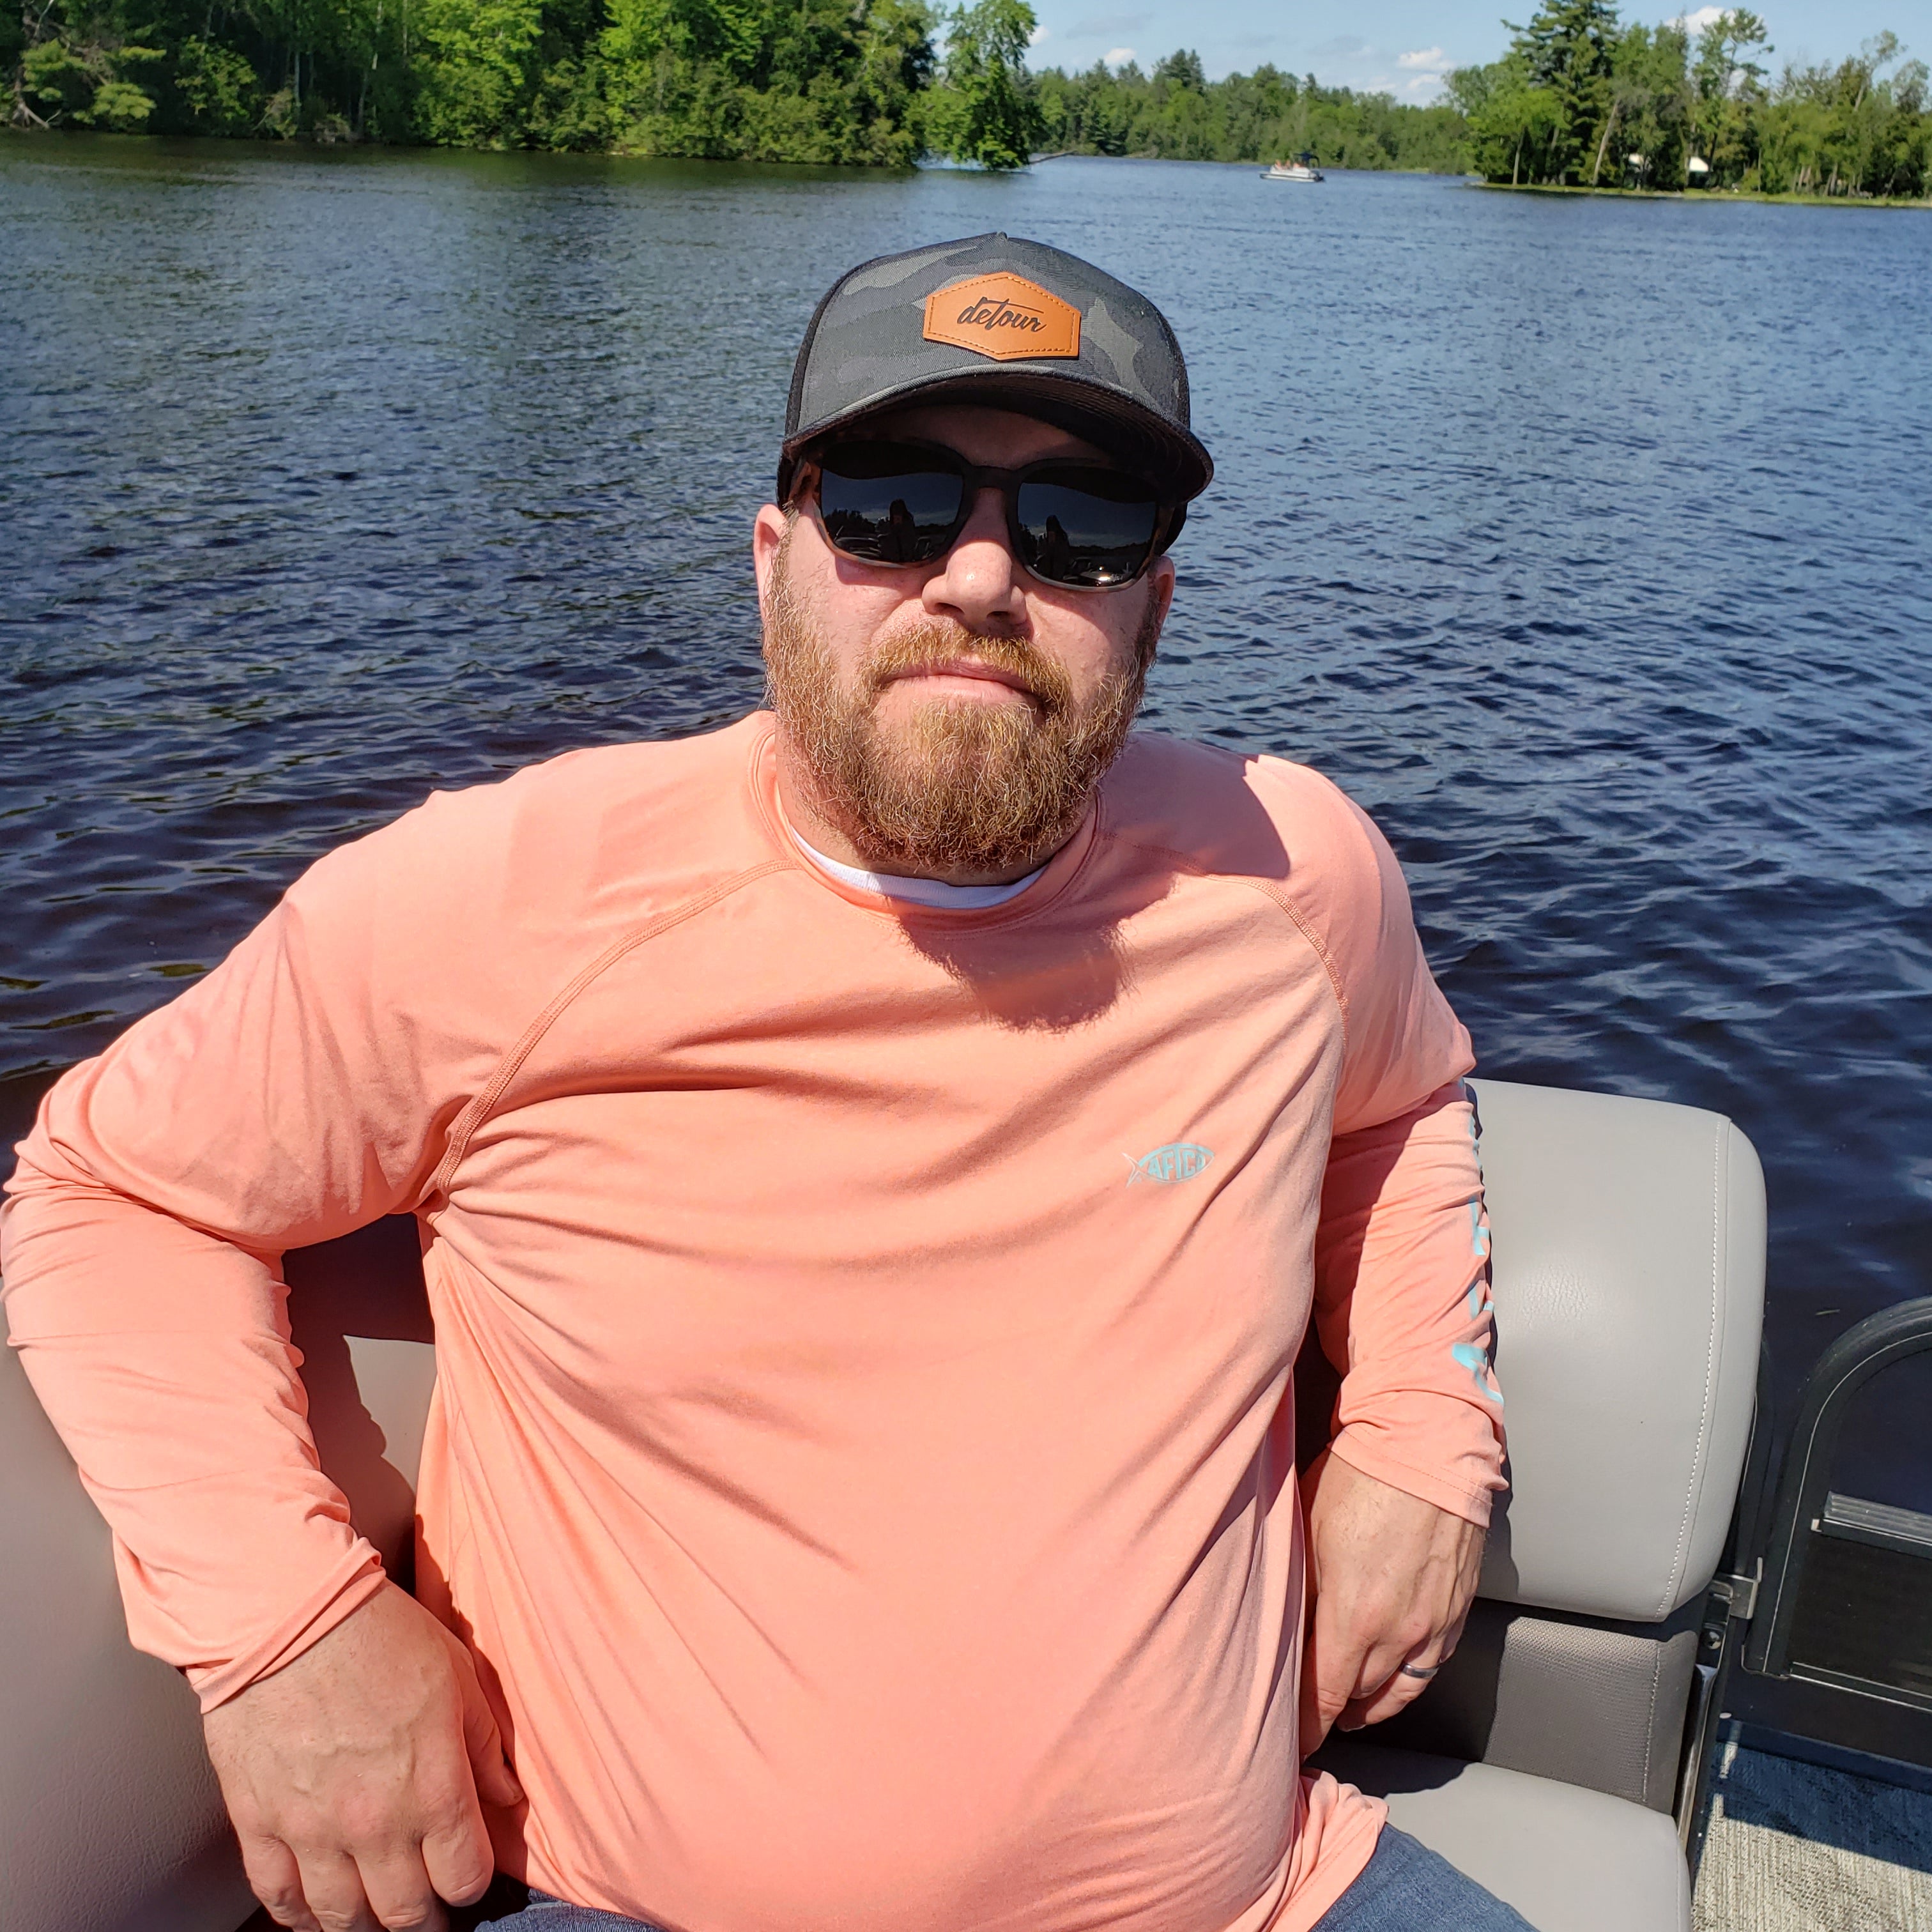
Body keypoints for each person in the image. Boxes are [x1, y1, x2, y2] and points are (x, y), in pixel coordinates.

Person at [1, 233, 1519, 1932]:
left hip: (1269, 1901)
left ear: (1152, 607)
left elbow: (1401, 1109)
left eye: (1081, 523)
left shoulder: (1295, 876)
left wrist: (1418, 1427)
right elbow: (103, 1189)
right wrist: (286, 1628)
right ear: (774, 558)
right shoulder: (501, 901)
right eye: (890, 499)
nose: (979, 576)